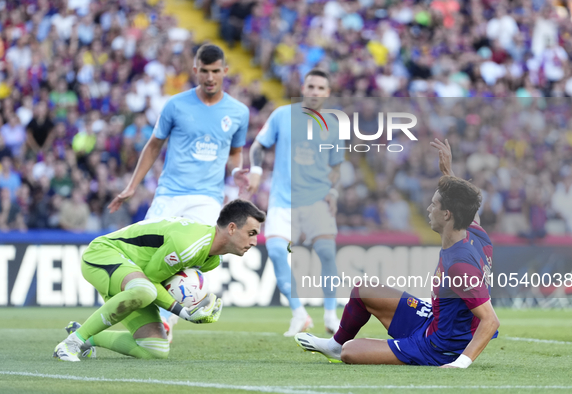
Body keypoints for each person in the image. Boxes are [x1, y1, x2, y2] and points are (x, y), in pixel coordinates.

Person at [294, 139, 499, 368]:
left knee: (350, 352)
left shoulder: (460, 263)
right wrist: (448, 173)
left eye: (434, 205)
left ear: (447, 215)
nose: (429, 209)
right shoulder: (473, 230)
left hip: (440, 349)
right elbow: (467, 205)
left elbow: (490, 320)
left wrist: (459, 363)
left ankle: (399, 348)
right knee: (363, 290)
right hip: (433, 322)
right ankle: (335, 343)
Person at [107, 44, 251, 341]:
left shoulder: (239, 113)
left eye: (215, 71)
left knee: (194, 259)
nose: (210, 77)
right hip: (170, 193)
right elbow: (154, 145)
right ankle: (130, 314)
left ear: (224, 71)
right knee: (143, 258)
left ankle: (164, 320)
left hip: (207, 198)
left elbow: (235, 153)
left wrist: (237, 173)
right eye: (204, 71)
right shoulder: (175, 105)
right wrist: (132, 186)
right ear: (195, 69)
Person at [53, 200, 265, 362]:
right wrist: (184, 312)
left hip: (135, 277)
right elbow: (152, 282)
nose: (255, 241)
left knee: (155, 349)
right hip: (103, 254)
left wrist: (199, 303)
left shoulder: (211, 261)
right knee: (145, 290)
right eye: (251, 233)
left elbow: (164, 282)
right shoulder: (188, 244)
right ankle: (71, 344)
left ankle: (87, 338)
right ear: (231, 228)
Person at [248, 69, 343, 336]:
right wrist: (255, 172)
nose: (314, 92)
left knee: (326, 253)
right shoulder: (282, 115)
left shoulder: (334, 126)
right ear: (303, 88)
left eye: (320, 88)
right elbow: (258, 145)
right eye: (310, 86)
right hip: (283, 199)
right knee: (277, 251)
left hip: (316, 201)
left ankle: (330, 315)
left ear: (327, 93)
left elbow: (336, 168)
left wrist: (333, 192)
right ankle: (298, 313)